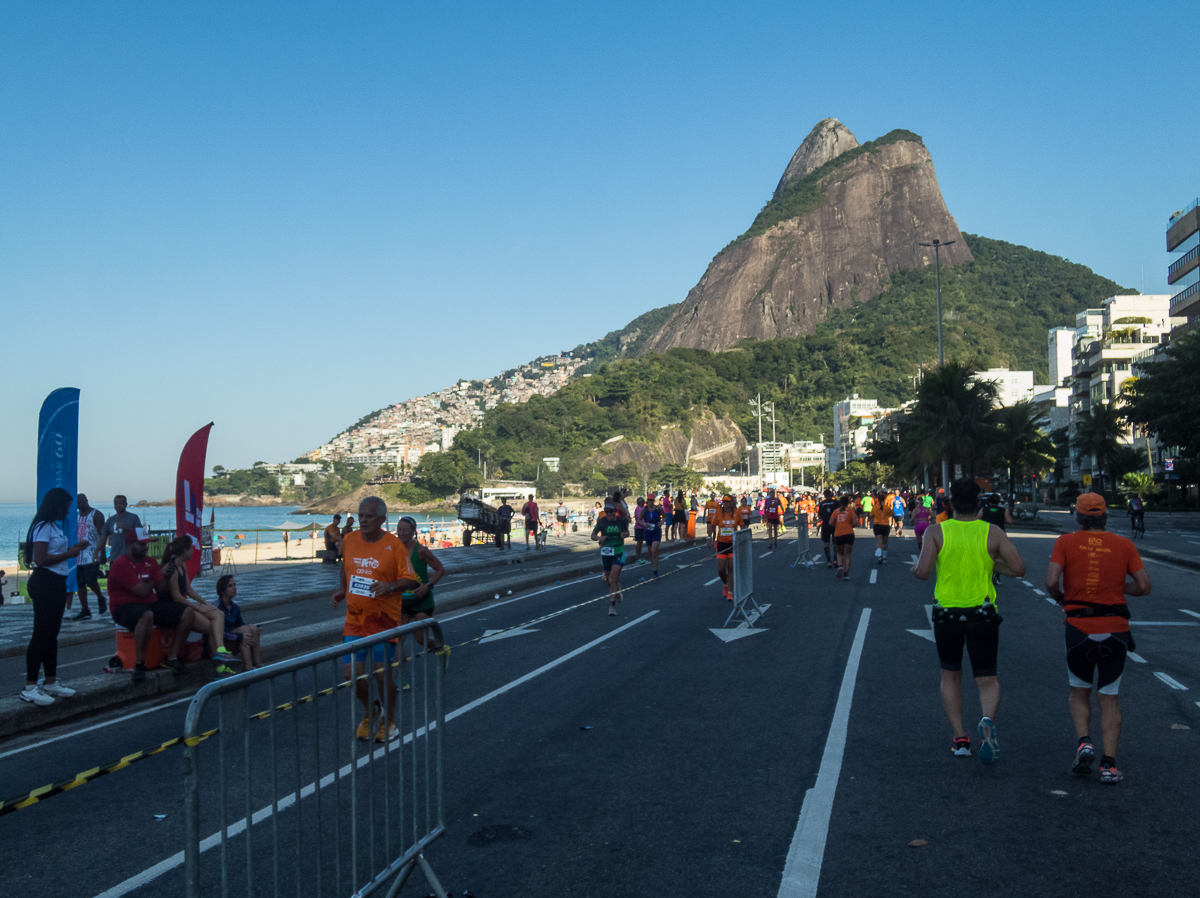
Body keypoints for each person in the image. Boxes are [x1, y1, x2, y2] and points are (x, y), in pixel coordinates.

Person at [911, 479, 1026, 764]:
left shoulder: (936, 532)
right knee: (987, 679)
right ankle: (986, 724)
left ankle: (960, 737)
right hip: (982, 615)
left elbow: (923, 572)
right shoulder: (993, 532)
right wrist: (990, 563)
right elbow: (1018, 568)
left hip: (947, 615)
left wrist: (915, 568)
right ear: (978, 504)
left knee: (950, 675)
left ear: (948, 504)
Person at [1044, 493, 1151, 784]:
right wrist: (1119, 588)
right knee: (1110, 697)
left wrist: (1063, 599)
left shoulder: (1065, 542)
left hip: (1079, 627)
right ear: (1105, 515)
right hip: (1115, 629)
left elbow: (1051, 581)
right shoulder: (1124, 545)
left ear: (1078, 516)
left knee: (1079, 690)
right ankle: (1109, 765)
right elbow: (1144, 586)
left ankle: (1084, 743)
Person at [331, 497, 419, 743]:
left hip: (384, 622)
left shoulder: (394, 545)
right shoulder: (349, 540)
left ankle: (389, 721)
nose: (363, 520)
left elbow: (410, 580)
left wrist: (389, 587)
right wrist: (342, 590)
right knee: (350, 674)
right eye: (361, 515)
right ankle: (372, 709)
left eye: (369, 516)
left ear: (382, 519)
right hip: (355, 621)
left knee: (382, 674)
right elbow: (345, 567)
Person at [20, 488, 88, 705]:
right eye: (65, 508)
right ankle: (30, 686)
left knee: (51, 635)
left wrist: (72, 548)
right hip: (45, 582)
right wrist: (70, 554)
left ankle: (50, 681)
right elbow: (40, 559)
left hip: (57, 581)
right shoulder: (42, 527)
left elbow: (53, 553)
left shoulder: (53, 527)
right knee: (41, 634)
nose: (67, 513)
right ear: (55, 506)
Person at [108, 526, 201, 682]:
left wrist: (166, 577)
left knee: (187, 613)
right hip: (123, 607)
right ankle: (140, 664)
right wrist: (156, 578)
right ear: (130, 545)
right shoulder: (121, 565)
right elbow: (142, 591)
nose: (145, 548)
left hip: (149, 604)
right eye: (141, 544)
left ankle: (172, 658)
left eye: (146, 544)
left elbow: (160, 588)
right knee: (146, 616)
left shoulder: (150, 562)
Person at [158, 536, 242, 676]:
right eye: (191, 548)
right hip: (173, 608)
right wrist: (198, 608)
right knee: (211, 627)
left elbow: (188, 589)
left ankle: (221, 652)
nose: (193, 551)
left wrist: (204, 602)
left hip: (184, 605)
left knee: (218, 614)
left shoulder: (182, 565)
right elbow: (177, 596)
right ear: (185, 550)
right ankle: (220, 666)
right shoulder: (171, 568)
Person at [396, 516, 446, 686]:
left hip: (421, 601)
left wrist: (428, 585)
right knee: (398, 639)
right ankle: (401, 678)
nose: (401, 533)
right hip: (402, 601)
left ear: (413, 532)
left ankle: (441, 648)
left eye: (405, 530)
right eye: (399, 529)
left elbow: (440, 569)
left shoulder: (421, 551)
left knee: (420, 640)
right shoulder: (394, 549)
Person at [213, 575, 262, 669]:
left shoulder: (235, 607)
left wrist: (255, 630)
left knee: (252, 628)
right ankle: (248, 666)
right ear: (222, 591)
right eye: (230, 586)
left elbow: (241, 625)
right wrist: (238, 636)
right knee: (244, 631)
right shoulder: (216, 607)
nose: (234, 588)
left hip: (233, 640)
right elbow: (218, 633)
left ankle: (258, 664)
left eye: (234, 585)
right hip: (221, 644)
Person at [592, 500, 630, 615]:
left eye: (611, 511)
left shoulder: (621, 521)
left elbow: (626, 532)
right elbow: (592, 535)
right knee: (609, 579)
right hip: (606, 551)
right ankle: (617, 589)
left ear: (615, 511)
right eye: (607, 511)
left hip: (618, 550)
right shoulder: (601, 522)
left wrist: (625, 535)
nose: (609, 514)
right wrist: (599, 539)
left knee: (614, 575)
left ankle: (612, 607)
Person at [72, 492, 107, 619]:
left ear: (86, 500)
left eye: (80, 502)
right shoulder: (75, 516)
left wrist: (103, 553)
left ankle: (100, 597)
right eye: (76, 503)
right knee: (80, 583)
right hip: (78, 555)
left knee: (91, 581)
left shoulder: (96, 515)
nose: (79, 505)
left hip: (93, 554)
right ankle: (85, 609)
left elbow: (102, 535)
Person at [711, 495, 749, 602]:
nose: (726, 504)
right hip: (721, 543)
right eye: (724, 502)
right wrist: (709, 537)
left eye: (728, 502)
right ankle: (725, 584)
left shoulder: (737, 512)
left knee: (731, 567)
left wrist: (745, 537)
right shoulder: (718, 512)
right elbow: (713, 525)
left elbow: (742, 526)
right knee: (721, 569)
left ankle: (730, 592)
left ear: (732, 503)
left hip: (733, 544)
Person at [96, 494, 141, 572]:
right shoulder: (110, 520)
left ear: (125, 504)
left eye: (121, 503)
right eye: (116, 503)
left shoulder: (133, 517)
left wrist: (126, 528)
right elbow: (103, 537)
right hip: (115, 557)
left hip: (131, 557)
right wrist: (97, 552)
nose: (118, 505)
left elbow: (141, 534)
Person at [830, 495, 856, 580]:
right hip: (849, 533)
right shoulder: (851, 511)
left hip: (838, 534)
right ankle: (846, 574)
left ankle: (840, 566)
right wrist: (850, 525)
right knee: (847, 553)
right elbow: (855, 523)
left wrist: (837, 525)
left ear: (840, 503)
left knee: (840, 552)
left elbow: (830, 523)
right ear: (848, 503)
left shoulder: (836, 511)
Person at [640, 494, 665, 577]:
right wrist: (644, 524)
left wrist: (661, 522)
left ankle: (655, 569)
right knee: (650, 551)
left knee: (654, 550)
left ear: (654, 501)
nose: (650, 502)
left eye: (651, 500)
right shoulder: (644, 509)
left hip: (656, 530)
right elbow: (639, 520)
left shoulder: (658, 508)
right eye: (649, 500)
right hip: (648, 531)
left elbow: (665, 517)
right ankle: (653, 565)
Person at [817, 489, 840, 570]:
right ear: (831, 495)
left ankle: (829, 561)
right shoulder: (836, 503)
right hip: (835, 525)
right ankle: (835, 560)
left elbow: (820, 516)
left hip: (826, 525)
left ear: (824, 495)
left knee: (826, 543)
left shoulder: (822, 504)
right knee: (835, 543)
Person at [871, 489, 892, 565]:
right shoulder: (886, 507)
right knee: (885, 542)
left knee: (878, 541)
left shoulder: (875, 507)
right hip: (885, 525)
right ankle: (885, 557)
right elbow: (892, 513)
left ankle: (879, 556)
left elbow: (871, 515)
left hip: (877, 525)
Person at [632, 497, 647, 563]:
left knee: (641, 542)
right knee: (639, 542)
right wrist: (643, 524)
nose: (643, 503)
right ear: (639, 502)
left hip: (642, 527)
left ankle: (639, 555)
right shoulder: (638, 509)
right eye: (642, 501)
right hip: (639, 527)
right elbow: (638, 519)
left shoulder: (643, 508)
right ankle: (637, 556)